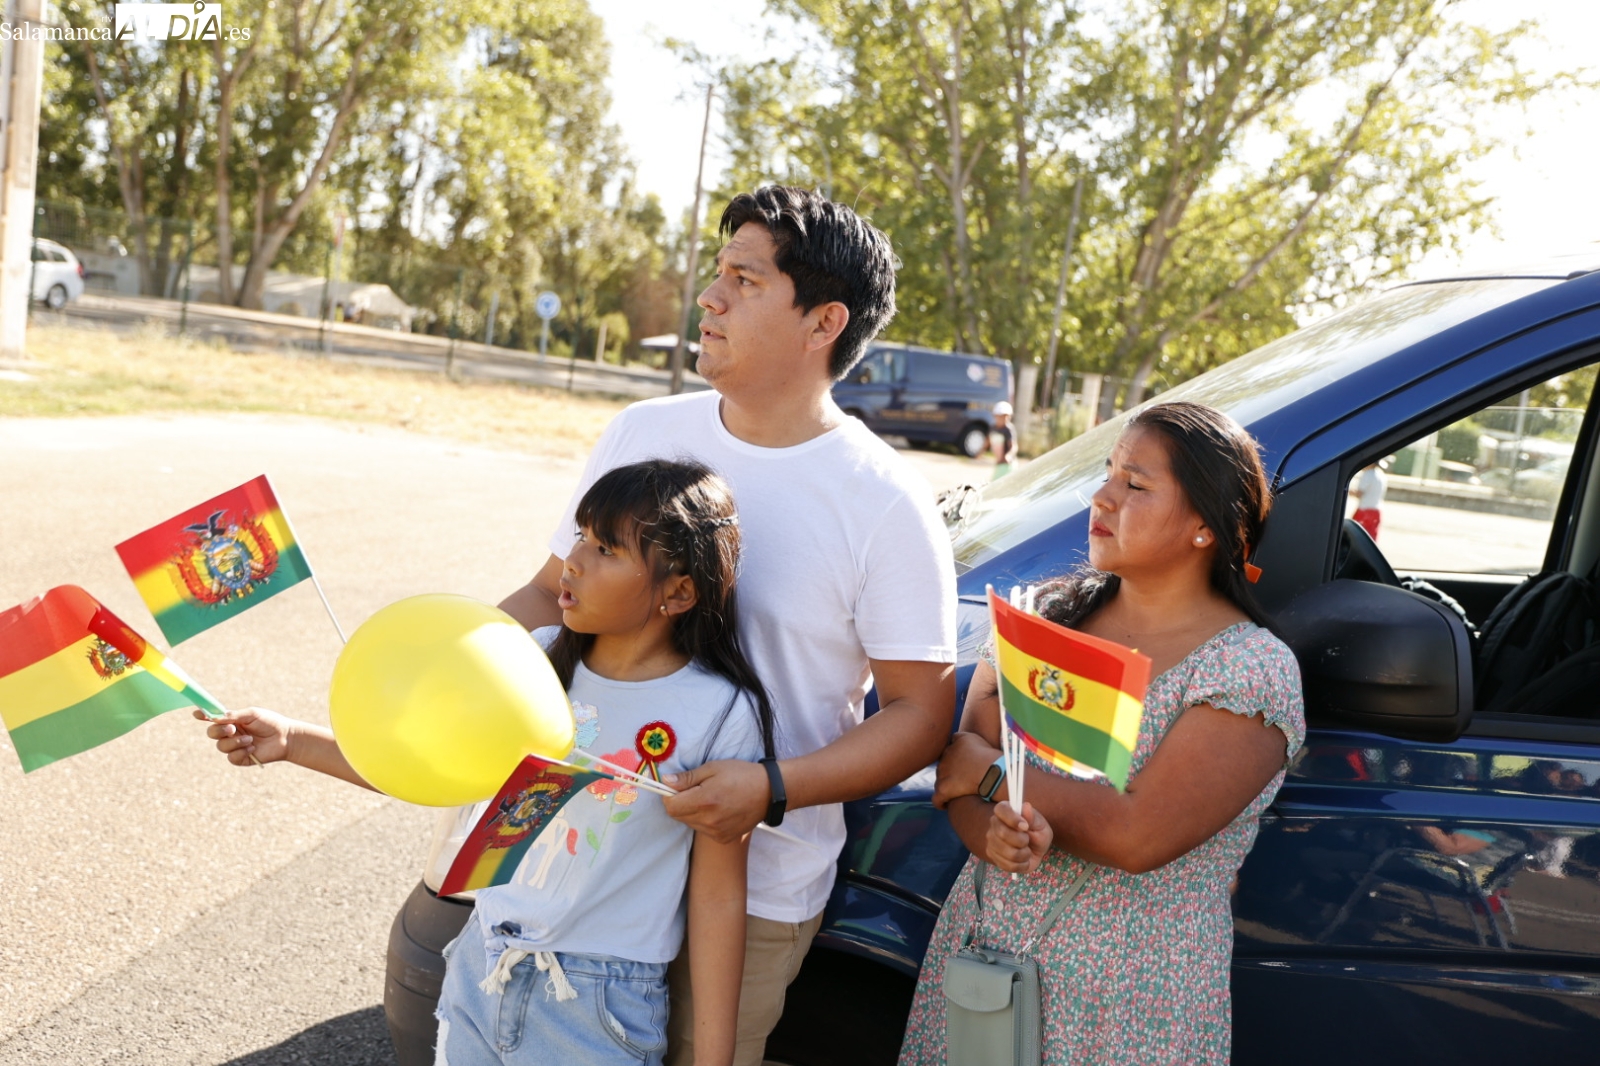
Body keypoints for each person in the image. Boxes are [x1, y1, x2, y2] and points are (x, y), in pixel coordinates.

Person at [497, 185, 957, 1066]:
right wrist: (453, 657)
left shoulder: (885, 502)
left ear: (824, 322)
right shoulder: (642, 432)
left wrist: (770, 787)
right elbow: (547, 595)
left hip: (754, 889)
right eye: (718, 273)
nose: (709, 297)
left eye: (744, 280)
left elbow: (918, 717)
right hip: (576, 849)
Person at [199, 460, 774, 1066]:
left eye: (605, 548)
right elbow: (433, 765)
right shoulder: (532, 657)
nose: (574, 560)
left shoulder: (719, 709)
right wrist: (292, 741)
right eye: (580, 535)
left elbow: (717, 895)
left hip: (600, 1005)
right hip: (482, 963)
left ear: (679, 591)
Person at [899, 401, 1305, 1066]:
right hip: (986, 975)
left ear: (1207, 526)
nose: (1103, 497)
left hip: (1131, 1002)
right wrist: (994, 835)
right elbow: (955, 780)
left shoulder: (1249, 669)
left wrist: (997, 776)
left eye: (1136, 486)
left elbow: (1136, 835)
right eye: (1108, 474)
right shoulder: (1044, 622)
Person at [1350, 459, 1387, 540]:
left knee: (1355, 538)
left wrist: (1348, 491)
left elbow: (1359, 493)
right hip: (1377, 511)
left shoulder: (1367, 474)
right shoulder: (1381, 474)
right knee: (1371, 539)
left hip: (1364, 511)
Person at [989, 401, 1017, 480]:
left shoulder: (1009, 429)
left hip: (1008, 464)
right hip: (999, 463)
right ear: (995, 416)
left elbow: (1013, 446)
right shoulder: (993, 428)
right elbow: (988, 440)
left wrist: (1009, 455)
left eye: (1007, 416)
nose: (1004, 419)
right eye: (1001, 416)